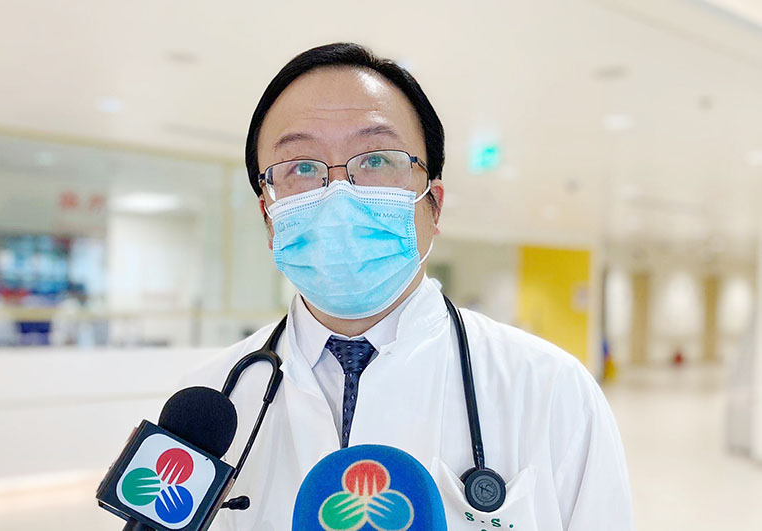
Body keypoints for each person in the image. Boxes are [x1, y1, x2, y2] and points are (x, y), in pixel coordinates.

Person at [184, 42, 633, 530]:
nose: (339, 194)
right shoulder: (206, 405)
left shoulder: (551, 390)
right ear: (268, 215)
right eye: (302, 167)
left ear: (432, 203)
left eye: (376, 160)